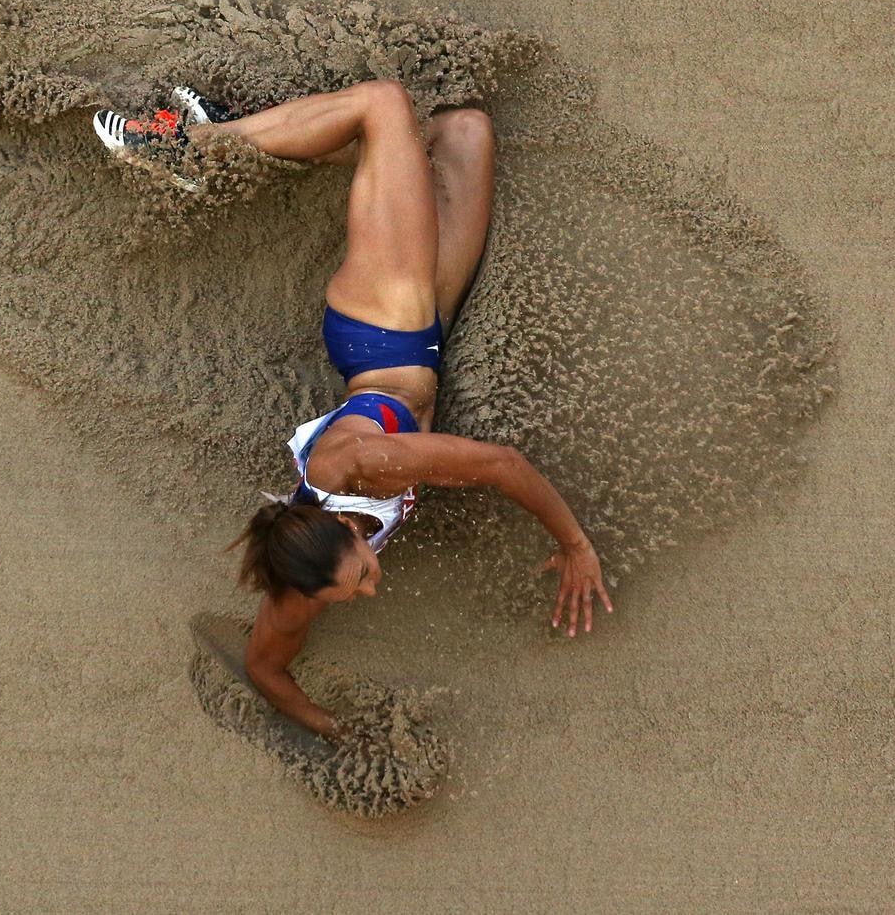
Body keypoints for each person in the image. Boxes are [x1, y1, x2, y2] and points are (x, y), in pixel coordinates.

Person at [94, 81, 612, 744]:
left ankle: (191, 150)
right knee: (464, 135)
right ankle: (259, 138)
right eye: (357, 586)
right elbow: (266, 668)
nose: (370, 585)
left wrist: (574, 544)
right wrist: (335, 730)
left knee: (385, 106)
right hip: (433, 328)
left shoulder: (364, 464)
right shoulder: (300, 586)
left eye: (360, 574)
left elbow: (501, 466)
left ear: (336, 524)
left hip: (384, 323)